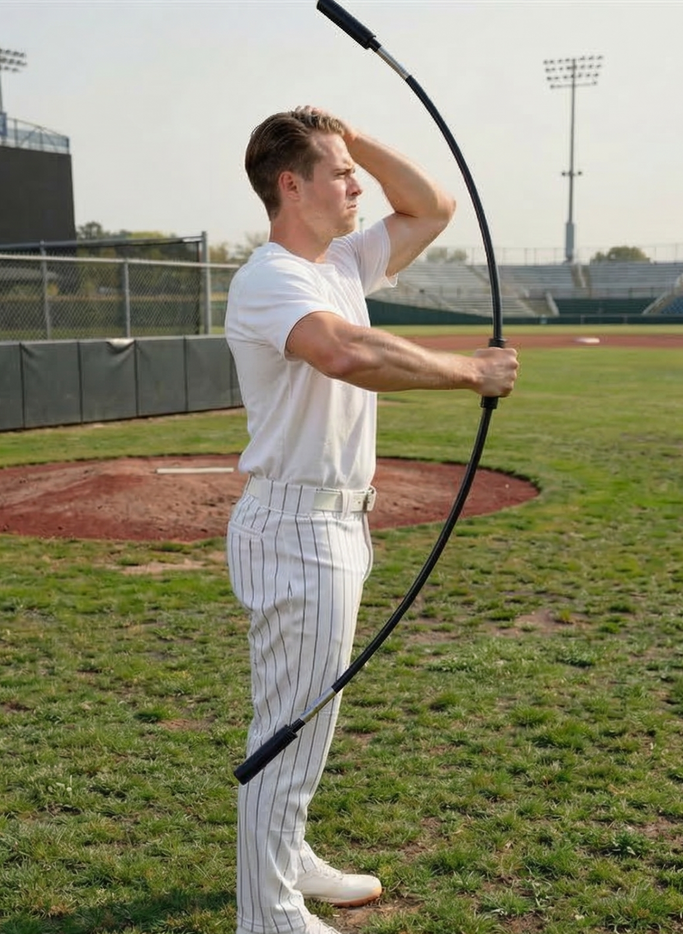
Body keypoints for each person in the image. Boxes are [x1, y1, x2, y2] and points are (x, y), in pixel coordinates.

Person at [224, 106, 519, 934]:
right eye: (338, 171)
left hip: (331, 525)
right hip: (295, 527)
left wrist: (352, 137)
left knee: (305, 719)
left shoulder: (342, 261)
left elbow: (432, 208)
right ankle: (268, 915)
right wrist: (471, 371)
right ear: (291, 185)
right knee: (287, 729)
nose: (357, 184)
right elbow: (345, 353)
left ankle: (290, 857)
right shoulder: (273, 276)